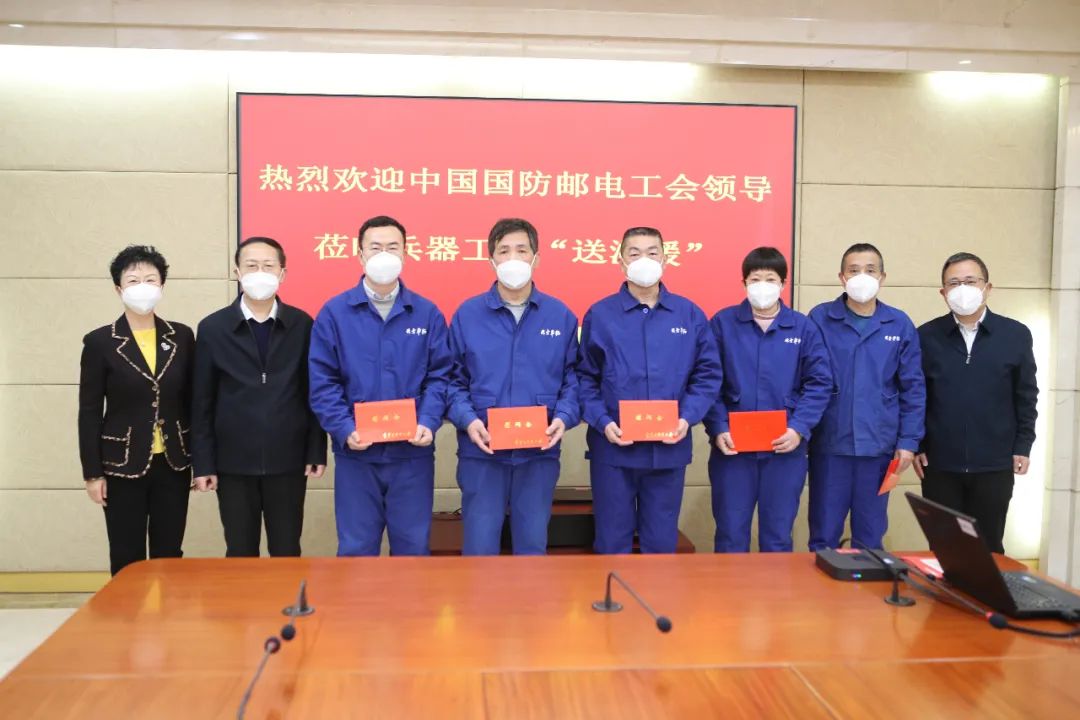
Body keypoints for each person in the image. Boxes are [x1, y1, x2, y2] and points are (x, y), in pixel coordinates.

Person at [308, 215, 451, 556]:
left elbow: (441, 375)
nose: (384, 254)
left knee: (413, 549)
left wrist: (428, 420)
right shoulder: (335, 313)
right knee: (356, 550)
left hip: (412, 455)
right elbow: (323, 382)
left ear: (405, 254)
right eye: (375, 247)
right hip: (357, 455)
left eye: (392, 247)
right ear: (360, 255)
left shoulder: (426, 313)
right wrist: (344, 429)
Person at [577, 226, 721, 554]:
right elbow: (584, 378)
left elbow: (707, 375)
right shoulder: (600, 315)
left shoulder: (689, 314)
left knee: (661, 544)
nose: (644, 259)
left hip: (668, 450)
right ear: (620, 261)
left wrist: (686, 418)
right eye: (634, 253)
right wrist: (602, 422)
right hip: (613, 449)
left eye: (652, 252)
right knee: (611, 542)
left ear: (665, 259)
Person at [447, 218, 580, 556]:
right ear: (491, 260)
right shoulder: (468, 315)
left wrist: (564, 416)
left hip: (538, 453)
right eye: (504, 251)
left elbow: (574, 378)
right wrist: (468, 420)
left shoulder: (560, 316)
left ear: (536, 258)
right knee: (479, 548)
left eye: (522, 250)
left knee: (532, 546)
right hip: (482, 450)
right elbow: (452, 379)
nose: (513, 258)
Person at [190, 237, 327, 557]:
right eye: (251, 266)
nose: (260, 273)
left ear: (283, 273)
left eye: (268, 266)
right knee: (240, 550)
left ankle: (286, 594)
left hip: (288, 460)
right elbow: (201, 401)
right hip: (232, 462)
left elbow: (313, 391)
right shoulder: (213, 328)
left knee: (287, 548)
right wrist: (203, 463)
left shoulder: (302, 325)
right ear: (237, 272)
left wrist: (315, 449)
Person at [705, 247, 832, 553]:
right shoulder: (722, 323)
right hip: (733, 449)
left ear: (783, 283)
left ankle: (775, 588)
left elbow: (819, 383)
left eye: (770, 279)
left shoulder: (803, 327)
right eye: (755, 279)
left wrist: (798, 428)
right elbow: (708, 381)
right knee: (730, 534)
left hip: (784, 448)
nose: (763, 285)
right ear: (744, 283)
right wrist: (718, 427)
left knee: (777, 536)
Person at [78, 245, 195, 575]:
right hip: (121, 465)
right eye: (133, 280)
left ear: (162, 285)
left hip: (173, 461)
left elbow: (193, 402)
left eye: (150, 279)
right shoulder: (100, 342)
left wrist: (200, 460)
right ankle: (128, 610)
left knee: (168, 552)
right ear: (119, 288)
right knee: (126, 553)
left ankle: (165, 608)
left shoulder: (181, 336)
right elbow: (89, 411)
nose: (142, 286)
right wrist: (92, 473)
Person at [914, 252, 1038, 554]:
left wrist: (1023, 445)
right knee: (944, 549)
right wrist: (916, 445)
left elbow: (1026, 395)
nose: (962, 289)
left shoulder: (1015, 334)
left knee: (989, 547)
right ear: (943, 292)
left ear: (987, 287)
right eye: (954, 283)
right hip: (939, 465)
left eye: (970, 281)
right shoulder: (925, 336)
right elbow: (915, 397)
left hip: (994, 464)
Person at [807, 243, 925, 551]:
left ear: (882, 277)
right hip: (830, 444)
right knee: (823, 534)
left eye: (870, 270)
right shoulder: (820, 318)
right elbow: (807, 379)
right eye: (854, 270)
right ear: (842, 277)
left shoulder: (899, 324)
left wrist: (908, 442)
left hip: (879, 448)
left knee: (870, 537)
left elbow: (913, 388)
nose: (862, 276)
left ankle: (867, 584)